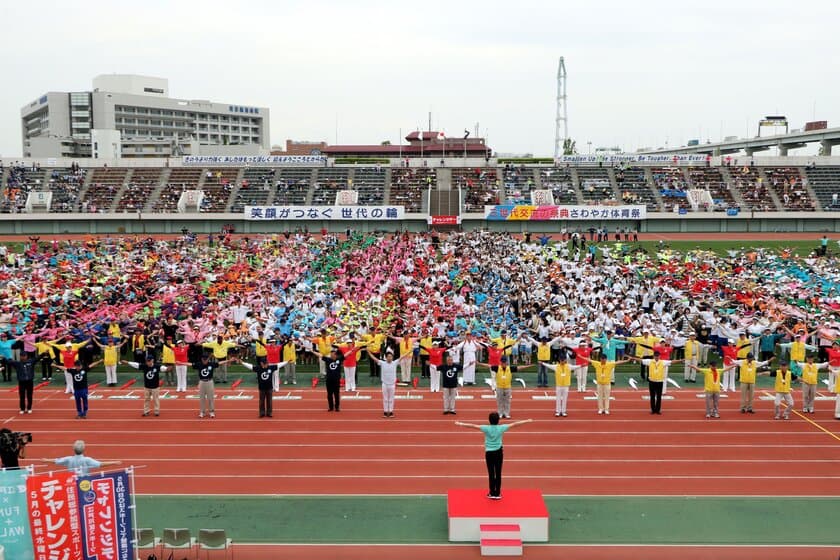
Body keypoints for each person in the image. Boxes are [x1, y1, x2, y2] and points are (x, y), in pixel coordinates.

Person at [455, 413, 533, 500]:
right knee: (498, 473)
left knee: (491, 473)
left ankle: (492, 493)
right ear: (498, 420)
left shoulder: (486, 428)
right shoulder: (501, 428)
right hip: (499, 452)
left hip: (489, 453)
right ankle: (498, 493)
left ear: (489, 420)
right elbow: (515, 424)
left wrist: (460, 423)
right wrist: (527, 421)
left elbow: (473, 426)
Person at [177, 353, 236, 418]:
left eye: (206, 359)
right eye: (203, 359)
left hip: (209, 382)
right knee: (202, 398)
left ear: (208, 359)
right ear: (202, 359)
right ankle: (202, 412)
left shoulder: (211, 364)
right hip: (202, 382)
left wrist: (229, 360)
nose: (204, 360)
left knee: (210, 398)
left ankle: (211, 412)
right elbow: (190, 364)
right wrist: (181, 363)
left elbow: (220, 363)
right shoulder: (199, 364)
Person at [371, 348, 412, 417]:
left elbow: (402, 356)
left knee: (391, 398)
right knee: (385, 398)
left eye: (391, 356)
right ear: (386, 357)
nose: (389, 358)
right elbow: (374, 358)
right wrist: (368, 352)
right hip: (384, 384)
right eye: (388, 357)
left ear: (392, 357)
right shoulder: (382, 363)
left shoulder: (395, 362)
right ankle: (385, 411)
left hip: (392, 384)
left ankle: (391, 411)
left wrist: (410, 351)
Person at [44, 440, 121, 476]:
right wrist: (114, 462)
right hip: (85, 483)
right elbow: (100, 464)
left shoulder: (68, 459)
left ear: (73, 449)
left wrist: (46, 460)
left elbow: (57, 461)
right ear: (83, 449)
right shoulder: (87, 460)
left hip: (72, 482)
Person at [313, 345, 346, 412]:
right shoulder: (328, 360)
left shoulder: (339, 359)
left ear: (336, 355)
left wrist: (352, 350)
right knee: (329, 394)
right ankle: (331, 407)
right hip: (329, 380)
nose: (332, 355)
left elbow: (346, 355)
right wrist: (312, 351)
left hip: (336, 380)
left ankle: (337, 407)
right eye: (331, 354)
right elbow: (320, 355)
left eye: (333, 354)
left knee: (336, 394)